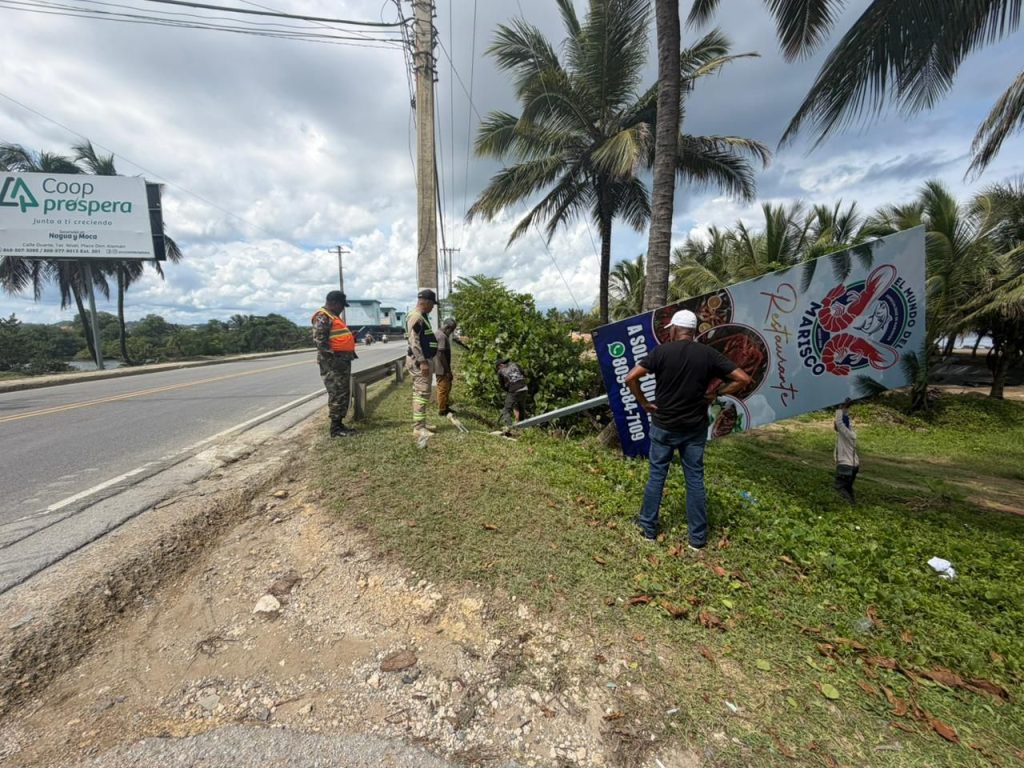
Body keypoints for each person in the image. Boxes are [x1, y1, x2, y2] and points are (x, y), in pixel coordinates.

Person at [625, 309, 753, 547]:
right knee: (694, 479)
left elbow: (631, 377)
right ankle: (697, 539)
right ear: (693, 331)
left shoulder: (661, 352)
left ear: (674, 329)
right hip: (694, 429)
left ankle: (648, 528)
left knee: (656, 477)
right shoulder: (708, 354)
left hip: (664, 425)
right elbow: (743, 379)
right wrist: (716, 393)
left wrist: (644, 403)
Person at [311, 290, 357, 437]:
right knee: (337, 393)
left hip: (341, 361)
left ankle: (339, 424)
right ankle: (335, 429)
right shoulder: (323, 316)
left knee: (343, 392)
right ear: (335, 303)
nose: (342, 309)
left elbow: (334, 337)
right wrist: (335, 361)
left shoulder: (332, 316)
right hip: (333, 363)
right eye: (342, 306)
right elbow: (321, 342)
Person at [406, 288, 439, 439]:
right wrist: (422, 362)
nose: (433, 308)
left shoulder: (422, 316)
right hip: (419, 361)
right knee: (421, 392)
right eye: (432, 304)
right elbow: (414, 342)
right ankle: (418, 428)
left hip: (422, 360)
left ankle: (422, 424)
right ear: (425, 302)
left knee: (423, 392)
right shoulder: (417, 317)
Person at [834, 398, 859, 504]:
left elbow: (840, 424)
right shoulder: (851, 433)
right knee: (848, 488)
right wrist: (846, 409)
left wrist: (840, 409)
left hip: (846, 465)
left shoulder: (846, 434)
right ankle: (853, 505)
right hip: (854, 466)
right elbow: (844, 423)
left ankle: (848, 505)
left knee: (840, 487)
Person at [434, 317, 457, 417]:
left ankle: (446, 406)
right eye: (451, 330)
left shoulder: (438, 333)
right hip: (442, 368)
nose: (451, 332)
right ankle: (442, 410)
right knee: (443, 389)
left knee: (447, 387)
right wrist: (448, 371)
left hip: (441, 367)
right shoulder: (442, 336)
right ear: (447, 327)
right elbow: (441, 354)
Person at [496, 358, 529, 428]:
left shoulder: (500, 371)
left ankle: (510, 427)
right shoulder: (515, 365)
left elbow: (502, 385)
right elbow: (524, 374)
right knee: (521, 410)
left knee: (505, 410)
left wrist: (509, 390)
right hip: (524, 388)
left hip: (514, 390)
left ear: (500, 365)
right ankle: (521, 427)